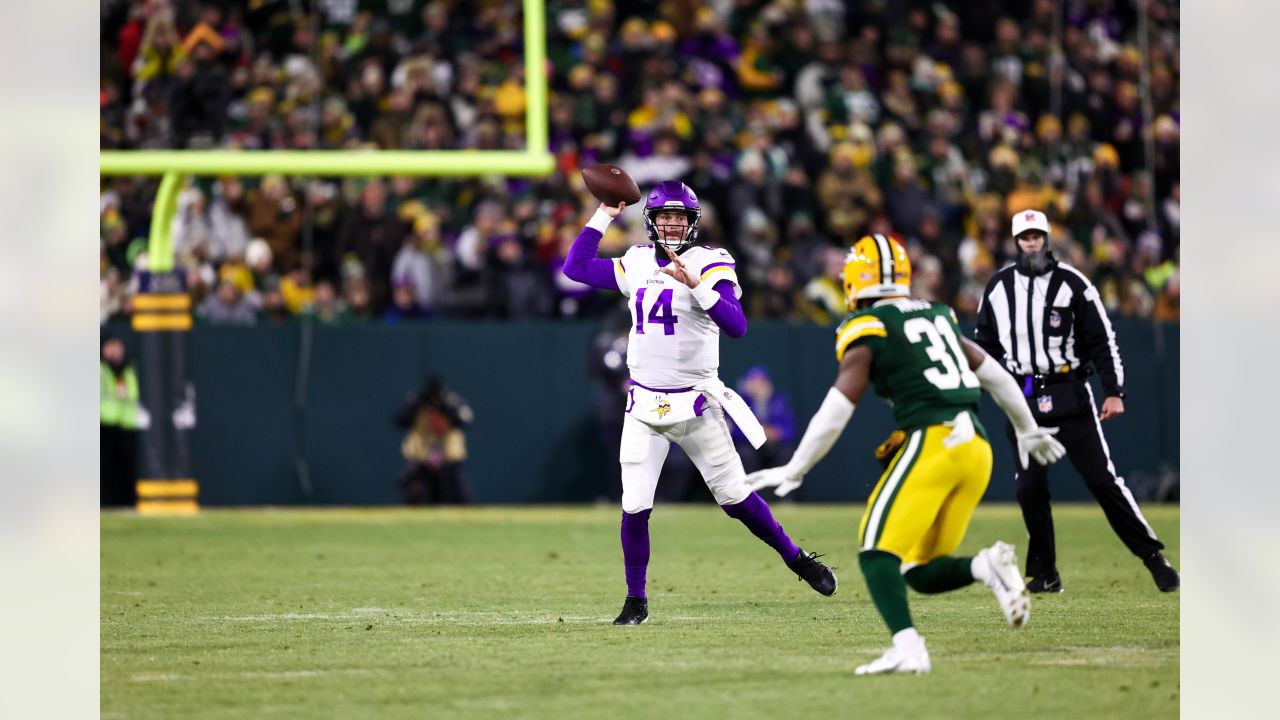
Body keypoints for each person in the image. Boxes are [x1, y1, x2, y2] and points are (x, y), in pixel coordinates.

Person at [747, 233, 1067, 675]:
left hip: (934, 442)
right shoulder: (937, 314)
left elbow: (839, 406)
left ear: (857, 277)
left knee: (875, 551)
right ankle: (986, 565)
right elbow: (995, 375)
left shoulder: (869, 325)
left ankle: (908, 648)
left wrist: (798, 466)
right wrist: (1027, 429)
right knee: (917, 569)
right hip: (975, 449)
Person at [562, 180, 837, 626]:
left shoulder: (712, 261)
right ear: (651, 221)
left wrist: (698, 286)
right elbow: (576, 267)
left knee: (734, 497)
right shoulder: (634, 261)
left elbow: (737, 326)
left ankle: (797, 558)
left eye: (680, 217)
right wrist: (603, 215)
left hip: (697, 402)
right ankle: (637, 600)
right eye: (665, 216)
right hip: (645, 405)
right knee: (634, 505)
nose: (672, 223)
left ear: (693, 222)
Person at [973, 210, 1180, 593]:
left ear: (1047, 238)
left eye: (1037, 236)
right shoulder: (998, 288)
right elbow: (983, 347)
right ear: (1015, 241)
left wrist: (1114, 391)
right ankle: (1045, 573)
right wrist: (971, 388)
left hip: (1070, 392)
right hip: (1024, 397)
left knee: (1103, 481)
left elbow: (1103, 340)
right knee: (1029, 487)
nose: (1031, 243)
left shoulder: (1073, 283)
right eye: (1025, 237)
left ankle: (1154, 558)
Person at [393, 376, 474, 505]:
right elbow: (398, 420)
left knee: (458, 501)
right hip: (421, 461)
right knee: (418, 501)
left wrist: (445, 408)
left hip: (449, 461)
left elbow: (465, 420)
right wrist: (419, 402)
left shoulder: (452, 402)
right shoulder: (418, 404)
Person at [101, 335, 147, 507]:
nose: (114, 351)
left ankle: (129, 503)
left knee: (127, 468)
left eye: (117, 346)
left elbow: (133, 394)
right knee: (105, 469)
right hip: (104, 425)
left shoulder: (129, 369)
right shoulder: (101, 369)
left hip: (127, 425)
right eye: (110, 346)